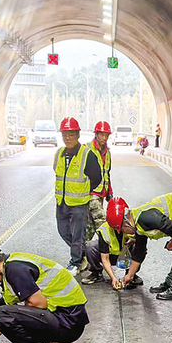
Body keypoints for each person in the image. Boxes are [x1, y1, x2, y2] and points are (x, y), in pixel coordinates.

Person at [107, 192, 172, 300]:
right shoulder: (138, 225)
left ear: (125, 222)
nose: (121, 232)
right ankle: (170, 283)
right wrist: (129, 276)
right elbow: (139, 253)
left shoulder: (145, 218)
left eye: (120, 229)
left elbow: (169, 225)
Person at [54, 117, 103, 276]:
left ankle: (76, 262)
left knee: (78, 235)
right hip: (61, 202)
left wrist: (84, 190)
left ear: (78, 135)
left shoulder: (87, 154)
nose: (68, 138)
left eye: (71, 134)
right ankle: (82, 254)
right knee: (63, 231)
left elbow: (97, 177)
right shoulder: (59, 153)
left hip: (79, 203)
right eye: (65, 134)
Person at [82, 197, 146, 289]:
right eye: (115, 228)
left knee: (139, 248)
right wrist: (113, 278)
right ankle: (96, 273)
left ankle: (131, 274)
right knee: (90, 247)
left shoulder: (133, 222)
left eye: (120, 227)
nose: (119, 231)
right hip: (110, 256)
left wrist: (133, 240)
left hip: (126, 258)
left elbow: (141, 244)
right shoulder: (104, 230)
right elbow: (105, 259)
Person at [85, 121, 114, 242]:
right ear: (96, 134)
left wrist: (109, 193)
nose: (104, 138)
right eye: (102, 134)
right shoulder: (87, 149)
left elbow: (106, 173)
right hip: (90, 194)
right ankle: (110, 249)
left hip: (101, 194)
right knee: (103, 223)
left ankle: (80, 250)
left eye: (106, 135)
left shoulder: (107, 153)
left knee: (90, 228)